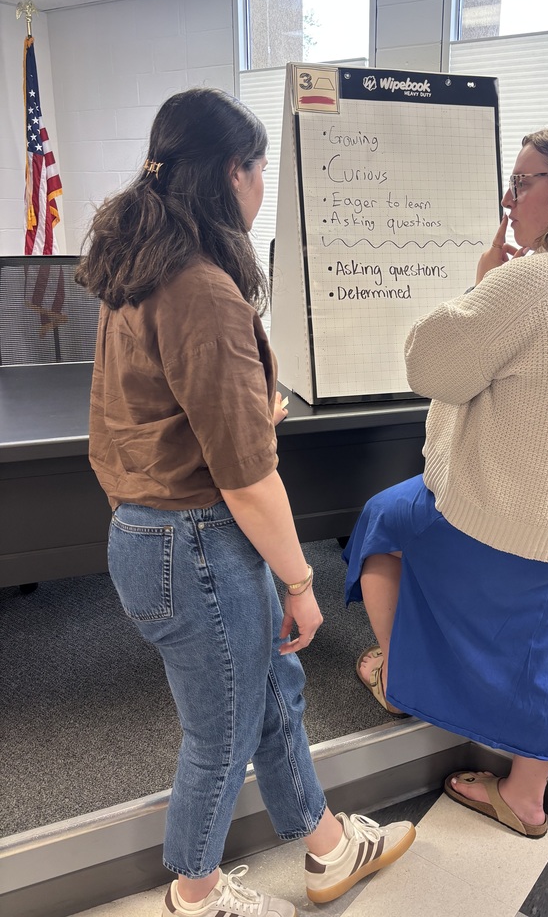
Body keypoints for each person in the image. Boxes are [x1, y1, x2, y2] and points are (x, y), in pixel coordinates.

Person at [75, 87, 414, 917]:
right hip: (196, 544)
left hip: (152, 531)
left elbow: (148, 415)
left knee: (268, 698)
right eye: (260, 170)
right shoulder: (200, 289)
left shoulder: (140, 267)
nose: (263, 187)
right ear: (233, 173)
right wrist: (299, 583)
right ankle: (194, 894)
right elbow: (247, 479)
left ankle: (329, 849)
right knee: (222, 733)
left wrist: (244, 411)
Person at [344, 122, 548, 839]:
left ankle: (398, 680)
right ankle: (525, 792)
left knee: (380, 523)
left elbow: (430, 366)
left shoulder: (533, 279)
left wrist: (484, 282)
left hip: (505, 521)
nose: (509, 198)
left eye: (523, 184)